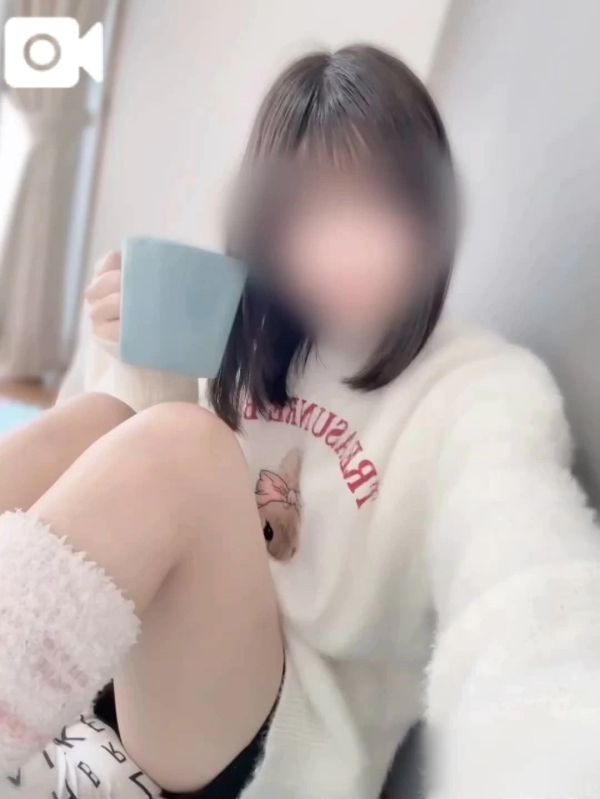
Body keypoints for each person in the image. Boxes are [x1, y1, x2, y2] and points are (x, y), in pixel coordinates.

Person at [2, 43, 600, 799]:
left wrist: (555, 723)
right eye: (309, 212)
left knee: (187, 447)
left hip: (287, 743)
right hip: (146, 676)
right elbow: (121, 502)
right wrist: (130, 347)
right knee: (100, 419)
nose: (342, 246)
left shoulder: (484, 388)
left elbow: (523, 559)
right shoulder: (247, 324)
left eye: (376, 205)